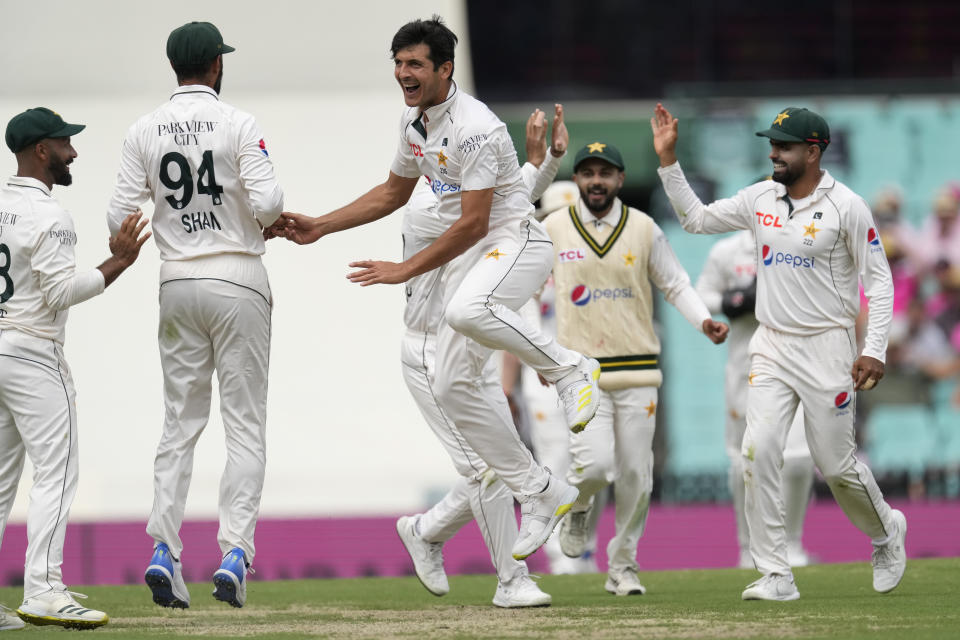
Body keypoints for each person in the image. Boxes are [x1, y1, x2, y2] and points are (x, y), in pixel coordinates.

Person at [279, 16, 597, 561]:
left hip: (516, 243)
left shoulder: (475, 126)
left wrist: (403, 270)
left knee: (467, 310)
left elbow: (474, 223)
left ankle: (571, 368)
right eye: (398, 63)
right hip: (478, 258)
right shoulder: (414, 121)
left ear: (446, 69)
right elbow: (391, 193)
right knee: (451, 386)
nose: (403, 73)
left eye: (415, 64)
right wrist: (321, 225)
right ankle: (542, 491)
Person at [651, 103, 907, 601]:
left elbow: (880, 282)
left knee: (834, 466)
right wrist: (668, 162)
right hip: (770, 345)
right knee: (757, 449)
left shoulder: (847, 207)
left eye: (784, 146)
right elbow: (698, 219)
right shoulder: (761, 197)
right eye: (772, 145)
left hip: (828, 348)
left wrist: (873, 348)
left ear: (813, 151)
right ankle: (775, 571)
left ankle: (885, 533)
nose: (774, 154)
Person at [106, 22, 285, 609]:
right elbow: (270, 204)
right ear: (214, 65)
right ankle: (234, 552)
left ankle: (164, 550)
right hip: (237, 276)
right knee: (245, 426)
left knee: (179, 423)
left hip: (176, 281)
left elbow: (118, 217)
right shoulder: (239, 123)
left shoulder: (143, 130)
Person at [395, 106, 566, 608]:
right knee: (488, 469)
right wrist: (538, 163)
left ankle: (426, 531)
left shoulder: (450, 193)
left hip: (468, 347)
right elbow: (493, 211)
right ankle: (511, 582)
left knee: (493, 462)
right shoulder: (431, 205)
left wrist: (548, 158)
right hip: (428, 352)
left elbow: (505, 203)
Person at [545, 141, 729, 595]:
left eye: (605, 174)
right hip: (581, 373)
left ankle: (623, 565)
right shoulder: (552, 228)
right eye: (587, 173)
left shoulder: (644, 228)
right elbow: (527, 293)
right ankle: (581, 506)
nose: (596, 182)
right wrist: (539, 354)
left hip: (639, 370)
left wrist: (704, 319)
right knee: (593, 469)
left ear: (620, 180)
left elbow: (676, 283)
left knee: (635, 475)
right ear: (577, 180)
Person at [0, 107, 150, 629]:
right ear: (41, 150)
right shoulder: (50, 215)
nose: (73, 152)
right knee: (57, 472)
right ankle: (43, 589)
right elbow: (61, 291)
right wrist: (120, 262)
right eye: (65, 143)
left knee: (0, 481)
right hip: (33, 352)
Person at [695, 229, 815, 569]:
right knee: (742, 457)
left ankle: (791, 544)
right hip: (745, 366)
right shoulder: (728, 249)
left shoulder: (808, 241)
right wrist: (733, 301)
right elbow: (701, 295)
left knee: (797, 458)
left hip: (800, 361)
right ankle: (749, 548)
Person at [503, 180, 603, 576]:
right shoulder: (528, 267)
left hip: (587, 376)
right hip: (542, 380)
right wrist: (507, 388)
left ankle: (585, 547)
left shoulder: (596, 262)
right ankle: (562, 558)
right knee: (555, 461)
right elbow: (510, 333)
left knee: (594, 466)